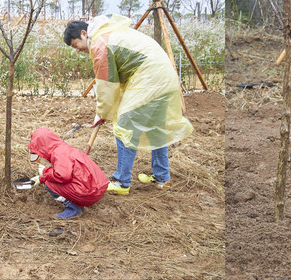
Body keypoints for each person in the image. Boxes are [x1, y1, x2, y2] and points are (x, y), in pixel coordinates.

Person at [62, 14, 193, 195]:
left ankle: (121, 182)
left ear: (84, 34)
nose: (78, 50)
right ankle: (162, 177)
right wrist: (105, 109)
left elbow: (107, 86)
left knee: (124, 125)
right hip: (162, 76)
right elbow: (119, 78)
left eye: (76, 45)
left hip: (150, 78)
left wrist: (103, 111)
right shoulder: (110, 33)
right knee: (155, 127)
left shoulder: (100, 44)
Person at [26, 128, 108, 219]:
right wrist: (41, 179)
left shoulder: (59, 154)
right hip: (95, 187)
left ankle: (73, 209)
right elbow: (70, 174)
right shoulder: (64, 149)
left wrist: (45, 172)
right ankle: (78, 203)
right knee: (49, 181)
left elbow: (63, 176)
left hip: (89, 192)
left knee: (49, 184)